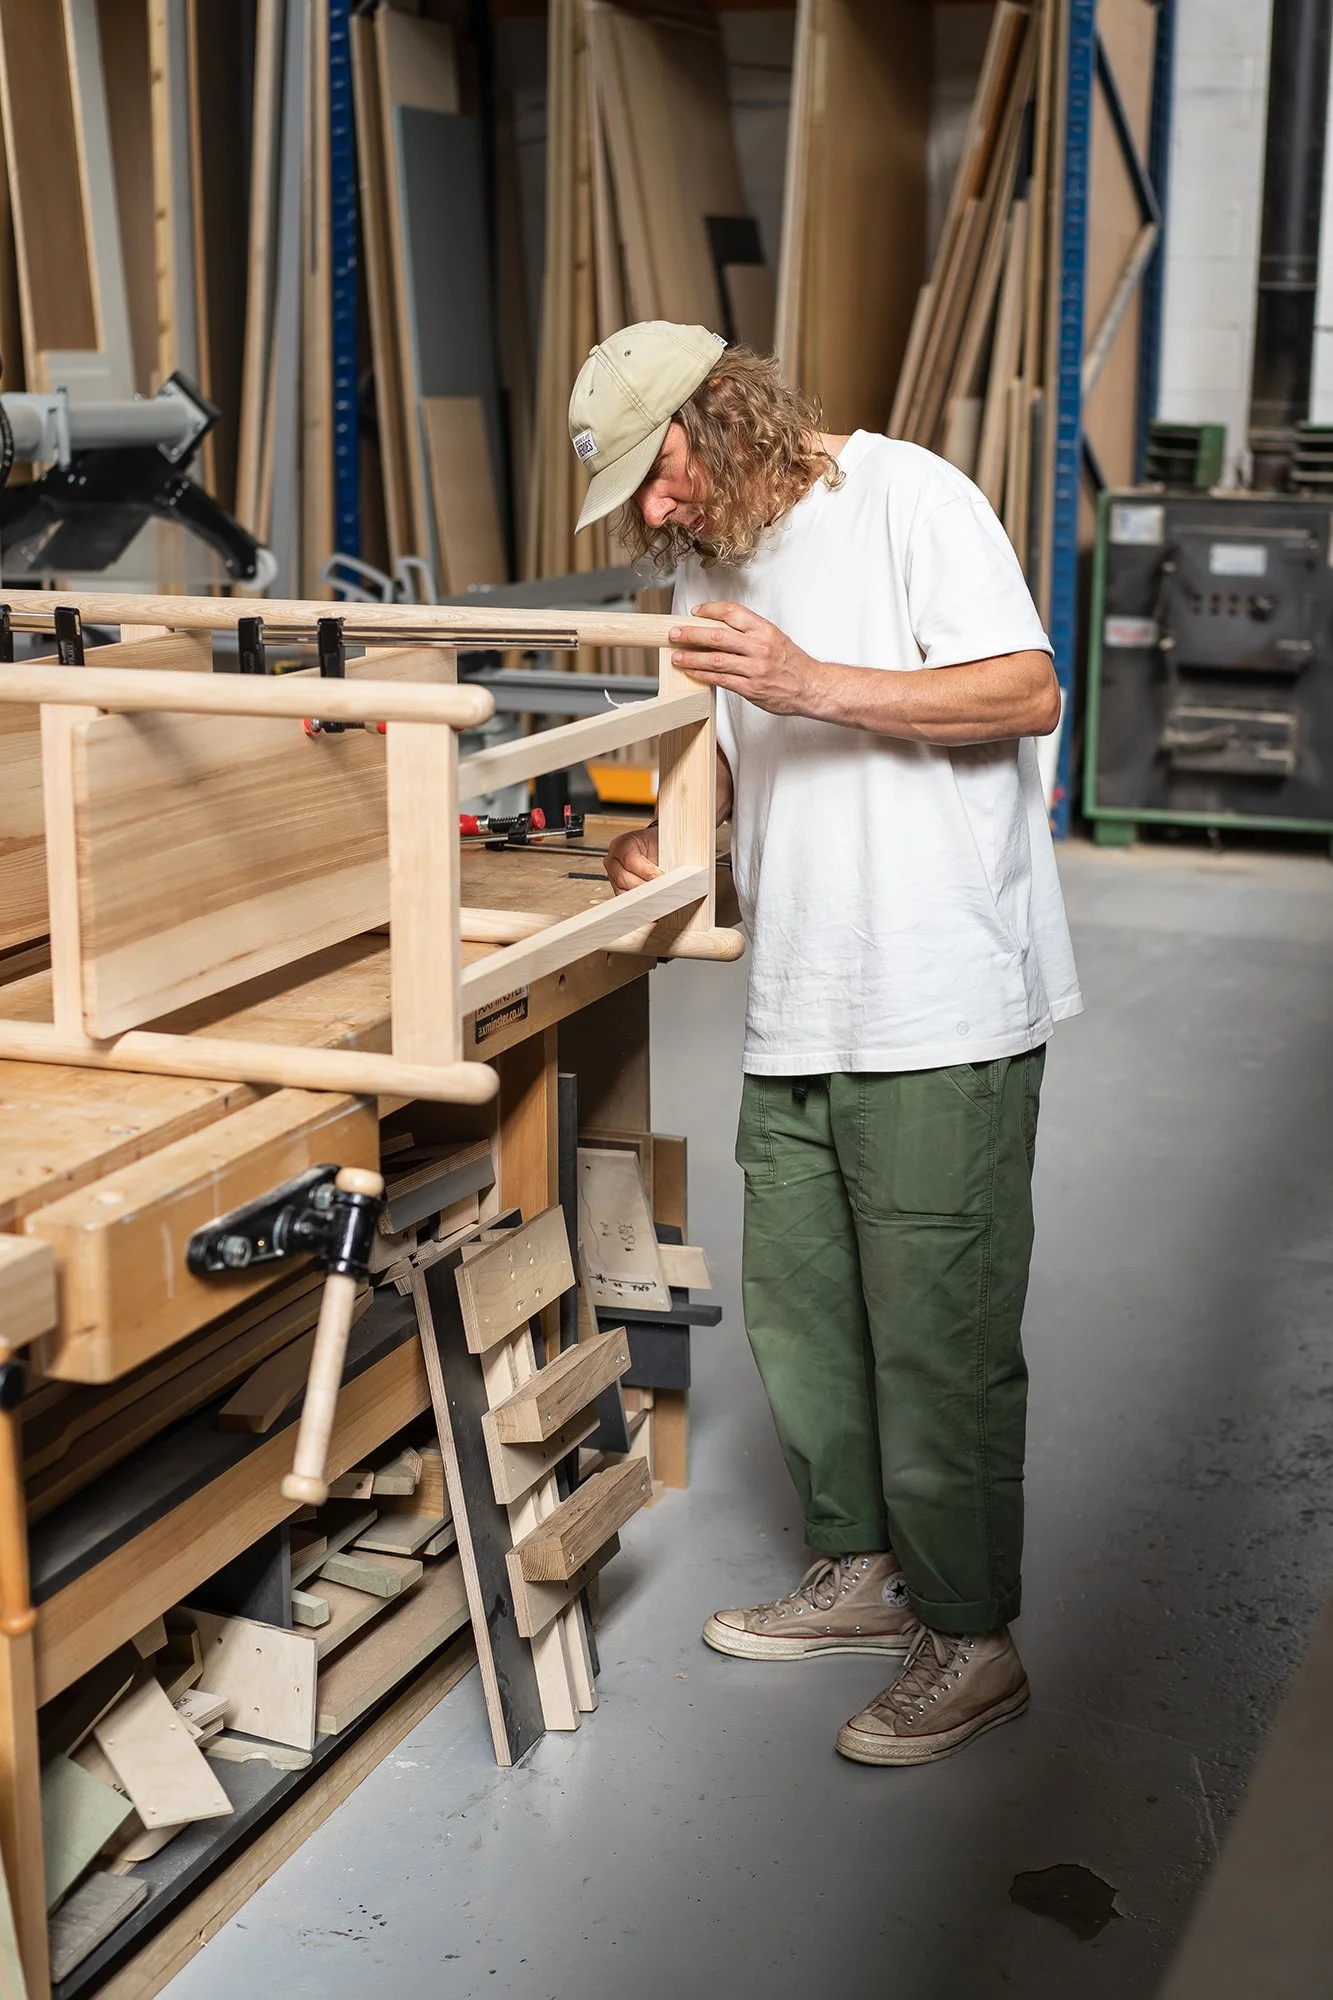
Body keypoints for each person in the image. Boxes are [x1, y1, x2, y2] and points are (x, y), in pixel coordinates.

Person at [566, 321, 1082, 1767]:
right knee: (804, 1313)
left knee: (941, 1333)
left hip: (938, 992)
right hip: (801, 988)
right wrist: (666, 837)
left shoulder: (909, 495)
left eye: (657, 481)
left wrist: (810, 681)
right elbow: (735, 753)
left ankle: (974, 1639)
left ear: (716, 416)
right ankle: (862, 1574)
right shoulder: (713, 558)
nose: (655, 518)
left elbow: (1022, 691)